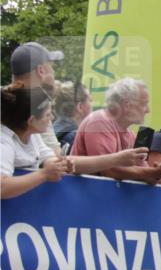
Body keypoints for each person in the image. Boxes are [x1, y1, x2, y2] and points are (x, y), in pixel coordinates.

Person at [1, 83, 147, 199]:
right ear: (31, 121)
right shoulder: (4, 143)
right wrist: (43, 174)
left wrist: (59, 164)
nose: (52, 118)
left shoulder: (34, 136)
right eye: (47, 114)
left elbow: (61, 161)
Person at [70, 77, 161, 184]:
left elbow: (147, 175)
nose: (148, 110)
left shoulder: (130, 134)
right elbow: (109, 171)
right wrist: (154, 173)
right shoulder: (99, 122)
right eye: (145, 104)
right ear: (127, 105)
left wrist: (159, 173)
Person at [10, 42, 63, 152]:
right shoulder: (38, 106)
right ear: (41, 70)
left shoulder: (7, 100)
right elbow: (56, 157)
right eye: (52, 68)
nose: (54, 72)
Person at [52, 80, 92, 152]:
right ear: (80, 107)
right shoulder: (75, 138)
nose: (92, 105)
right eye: (90, 100)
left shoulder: (51, 130)